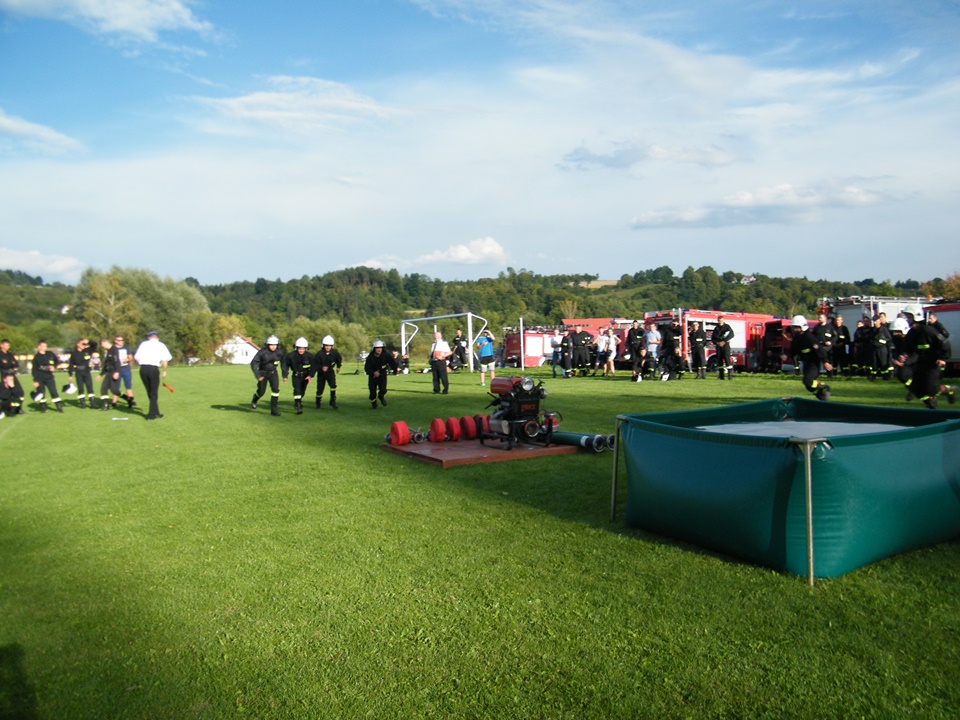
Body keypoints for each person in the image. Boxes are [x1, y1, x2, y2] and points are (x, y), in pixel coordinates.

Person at [897, 305, 956, 409]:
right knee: (916, 388)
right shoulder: (911, 333)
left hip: (933, 363)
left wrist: (943, 358)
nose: (907, 320)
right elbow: (907, 349)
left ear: (916, 317)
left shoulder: (928, 331)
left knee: (929, 388)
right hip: (920, 363)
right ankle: (931, 406)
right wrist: (903, 356)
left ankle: (949, 390)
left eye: (909, 317)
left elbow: (944, 344)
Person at [783, 315, 832, 401]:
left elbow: (819, 349)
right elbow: (793, 349)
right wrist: (786, 355)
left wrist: (825, 361)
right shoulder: (797, 338)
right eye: (794, 327)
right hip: (806, 363)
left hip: (814, 363)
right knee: (808, 385)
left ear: (802, 327)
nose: (794, 329)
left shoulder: (809, 337)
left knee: (808, 380)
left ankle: (823, 386)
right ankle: (821, 395)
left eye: (796, 327)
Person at [134, 330, 173, 420]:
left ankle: (156, 412)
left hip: (143, 369)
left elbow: (136, 357)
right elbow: (165, 360)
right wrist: (164, 370)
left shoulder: (143, 344)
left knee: (149, 391)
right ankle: (151, 414)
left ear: (149, 337)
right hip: (153, 368)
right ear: (157, 338)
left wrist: (142, 363)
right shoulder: (161, 345)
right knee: (154, 392)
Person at [250, 335, 284, 416]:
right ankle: (255, 399)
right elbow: (254, 363)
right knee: (261, 392)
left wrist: (285, 374)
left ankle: (274, 409)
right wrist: (258, 375)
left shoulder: (280, 353)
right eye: (271, 345)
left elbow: (284, 363)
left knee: (275, 390)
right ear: (267, 345)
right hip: (263, 373)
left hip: (273, 373)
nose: (273, 347)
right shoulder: (262, 353)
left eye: (275, 345)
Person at [282, 337, 314, 414]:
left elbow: (314, 367)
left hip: (305, 377)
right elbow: (285, 365)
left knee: (302, 391)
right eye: (299, 348)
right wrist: (285, 375)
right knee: (297, 390)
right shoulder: (291, 356)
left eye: (303, 349)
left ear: (306, 348)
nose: (301, 350)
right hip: (296, 376)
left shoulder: (310, 356)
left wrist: (310, 375)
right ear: (296, 348)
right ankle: (298, 406)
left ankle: (297, 401)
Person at [31, 340, 63, 413]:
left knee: (53, 391)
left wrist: (54, 366)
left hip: (49, 376)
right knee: (41, 392)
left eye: (46, 346)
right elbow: (34, 370)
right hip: (40, 377)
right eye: (43, 346)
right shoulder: (36, 357)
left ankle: (59, 407)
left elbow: (57, 361)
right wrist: (35, 380)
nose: (45, 347)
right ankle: (43, 407)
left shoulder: (50, 354)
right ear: (39, 347)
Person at [365, 339, 398, 409]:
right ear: (374, 349)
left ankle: (381, 396)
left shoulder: (386, 355)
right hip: (373, 378)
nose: (379, 349)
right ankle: (374, 403)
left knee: (383, 390)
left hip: (382, 376)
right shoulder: (370, 357)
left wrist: (395, 370)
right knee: (372, 394)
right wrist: (373, 373)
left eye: (380, 348)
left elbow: (392, 363)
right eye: (377, 348)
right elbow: (366, 368)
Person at [67, 338, 97, 409]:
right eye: (83, 344)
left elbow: (95, 345)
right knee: (80, 388)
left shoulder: (87, 350)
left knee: (89, 387)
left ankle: (92, 403)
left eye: (85, 344)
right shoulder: (74, 353)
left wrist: (88, 341)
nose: (84, 345)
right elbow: (71, 364)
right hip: (78, 372)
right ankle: (82, 403)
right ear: (78, 344)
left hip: (86, 371)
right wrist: (70, 375)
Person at [314, 334, 343, 409]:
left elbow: (339, 360)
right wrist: (321, 367)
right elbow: (315, 364)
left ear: (332, 346)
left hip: (330, 372)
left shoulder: (335, 353)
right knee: (320, 389)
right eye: (326, 345)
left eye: (329, 346)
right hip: (321, 374)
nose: (328, 347)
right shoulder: (319, 354)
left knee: (333, 386)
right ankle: (318, 403)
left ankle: (333, 401)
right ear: (323, 345)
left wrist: (338, 367)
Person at [0, 338, 25, 415]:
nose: (8, 347)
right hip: (5, 377)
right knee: (6, 395)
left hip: (13, 376)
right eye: (6, 345)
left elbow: (16, 364)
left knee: (20, 393)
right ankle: (9, 410)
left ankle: (18, 409)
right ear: (1, 345)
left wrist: (13, 367)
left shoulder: (10, 354)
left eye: (8, 345)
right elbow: (4, 366)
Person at [97, 337, 121, 411]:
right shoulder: (108, 351)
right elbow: (106, 364)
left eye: (102, 344)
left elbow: (117, 362)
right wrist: (101, 374)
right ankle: (105, 405)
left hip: (113, 372)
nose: (102, 346)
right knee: (103, 388)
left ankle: (127, 398)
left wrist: (117, 372)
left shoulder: (114, 349)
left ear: (105, 342)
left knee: (114, 390)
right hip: (108, 372)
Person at [113, 335, 137, 408]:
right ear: (115, 341)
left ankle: (131, 400)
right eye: (119, 340)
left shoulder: (126, 347)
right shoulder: (113, 349)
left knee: (128, 386)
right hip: (116, 370)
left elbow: (131, 357)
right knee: (116, 387)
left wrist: (128, 359)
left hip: (126, 369)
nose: (121, 342)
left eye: (122, 340)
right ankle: (114, 402)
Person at [869, 314, 893, 380]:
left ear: (879, 320)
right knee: (874, 363)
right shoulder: (872, 330)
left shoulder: (883, 329)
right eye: (874, 321)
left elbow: (889, 339)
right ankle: (873, 376)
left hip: (882, 348)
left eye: (876, 321)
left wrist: (881, 341)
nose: (874, 322)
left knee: (883, 363)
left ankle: (885, 376)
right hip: (874, 348)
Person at [711, 315, 735, 379]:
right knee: (719, 360)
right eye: (719, 320)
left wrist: (724, 341)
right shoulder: (716, 328)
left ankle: (730, 375)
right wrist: (717, 343)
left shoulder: (727, 327)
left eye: (721, 320)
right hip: (718, 346)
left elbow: (731, 335)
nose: (720, 322)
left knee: (727, 359)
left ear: (723, 320)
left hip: (725, 345)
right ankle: (721, 375)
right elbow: (713, 338)